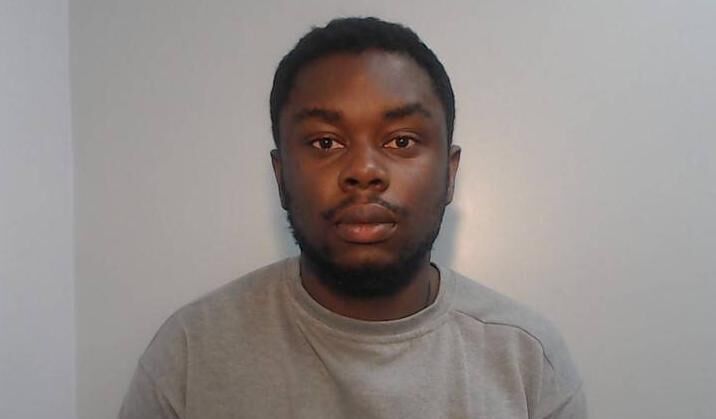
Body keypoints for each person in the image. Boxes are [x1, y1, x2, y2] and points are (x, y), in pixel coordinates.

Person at [119, 17, 586, 418]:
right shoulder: (191, 354)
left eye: (401, 141)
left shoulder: (526, 360)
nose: (364, 170)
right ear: (281, 176)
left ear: (449, 173)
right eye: (326, 142)